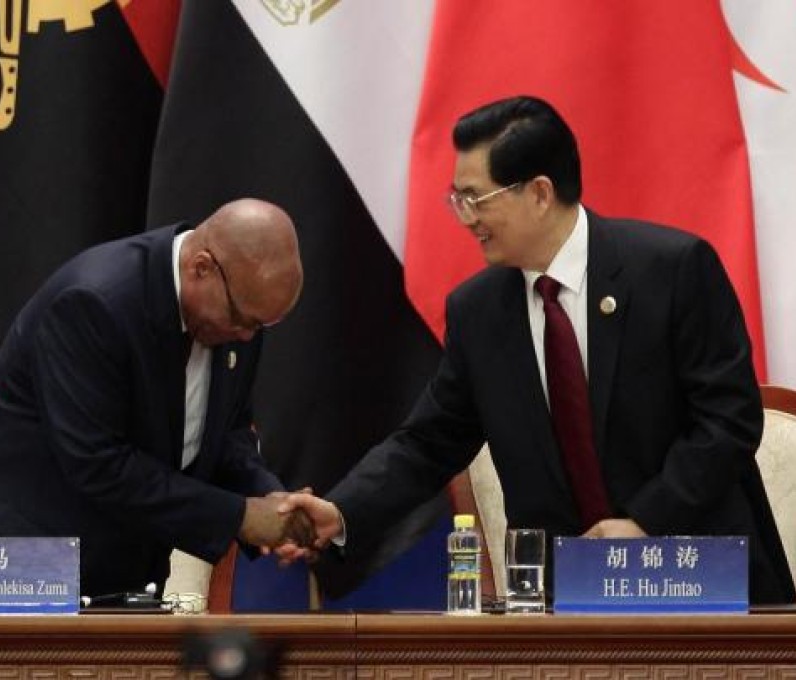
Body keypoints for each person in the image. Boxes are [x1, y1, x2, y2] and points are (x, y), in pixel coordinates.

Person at [279, 96, 795, 604]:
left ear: (540, 193)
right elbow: (428, 443)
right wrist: (343, 511)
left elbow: (728, 419)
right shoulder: (479, 311)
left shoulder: (673, 271)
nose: (465, 218)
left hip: (699, 582)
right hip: (562, 602)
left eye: (476, 199)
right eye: (456, 199)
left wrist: (644, 523)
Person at [0, 198, 312, 597]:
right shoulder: (94, 303)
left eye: (263, 324)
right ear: (201, 267)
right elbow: (99, 464)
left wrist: (273, 502)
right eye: (243, 319)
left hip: (111, 579)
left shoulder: (236, 314)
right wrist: (240, 517)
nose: (247, 336)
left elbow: (228, 434)